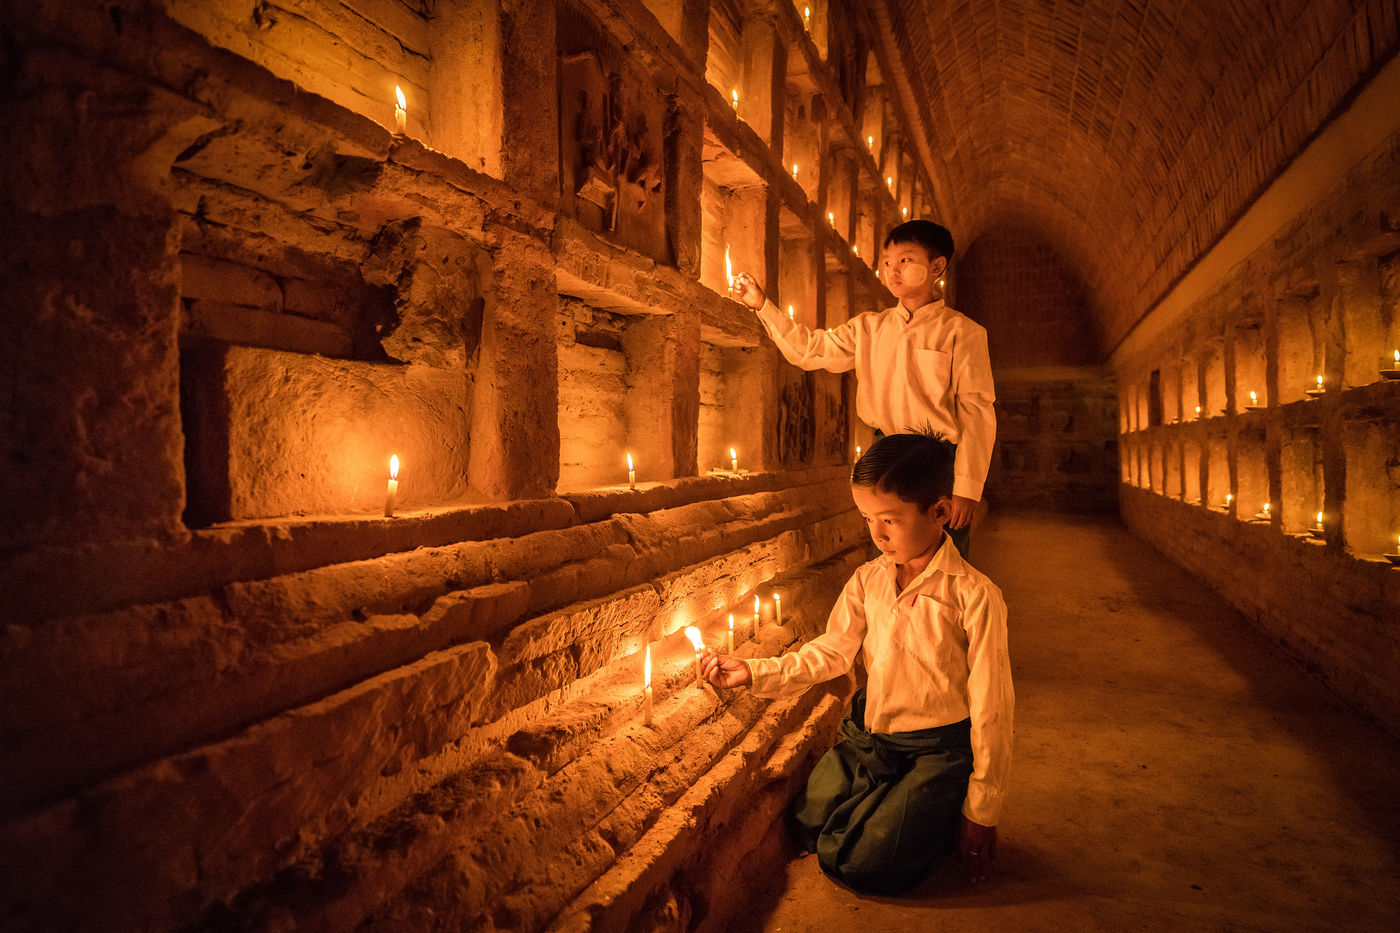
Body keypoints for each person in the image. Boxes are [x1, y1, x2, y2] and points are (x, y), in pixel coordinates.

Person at [700, 433, 1013, 894]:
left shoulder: (973, 595)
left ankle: (933, 804)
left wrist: (981, 810)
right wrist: (754, 670)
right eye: (868, 519)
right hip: (871, 738)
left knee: (864, 866)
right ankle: (894, 803)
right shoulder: (868, 580)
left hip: (937, 747)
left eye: (890, 520)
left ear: (940, 512)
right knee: (807, 824)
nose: (877, 534)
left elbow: (992, 706)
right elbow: (832, 651)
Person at [729, 220, 995, 557]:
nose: (892, 271)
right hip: (883, 453)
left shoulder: (963, 332)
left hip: (938, 460)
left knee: (944, 558)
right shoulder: (870, 328)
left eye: (906, 260)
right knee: (889, 553)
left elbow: (977, 411)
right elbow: (811, 349)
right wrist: (763, 306)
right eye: (887, 262)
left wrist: (968, 488)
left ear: (937, 267)